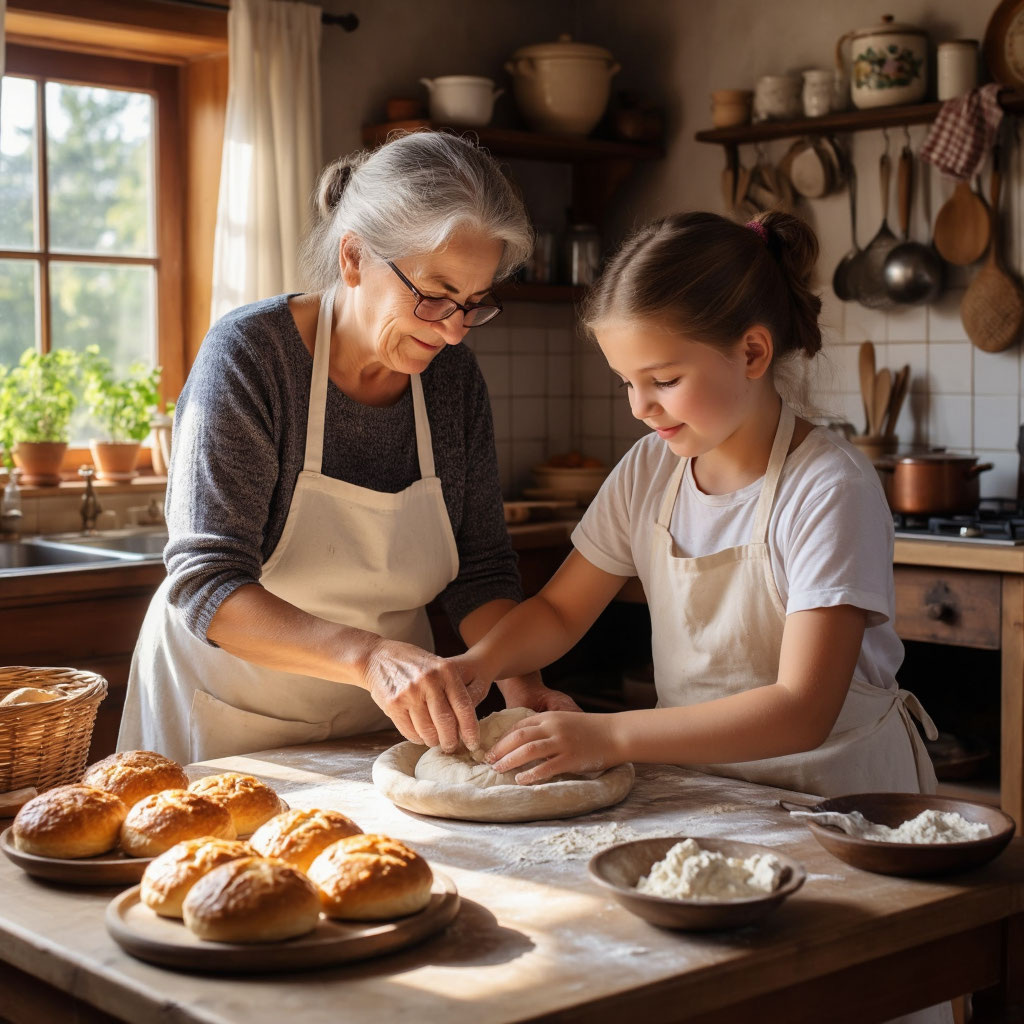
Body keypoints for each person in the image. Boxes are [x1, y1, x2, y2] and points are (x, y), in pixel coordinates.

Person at [119, 131, 576, 765]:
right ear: (354, 258)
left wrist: (523, 687)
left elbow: (479, 570)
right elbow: (206, 583)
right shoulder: (252, 358)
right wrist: (369, 657)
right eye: (434, 295)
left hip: (377, 722)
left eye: (473, 304)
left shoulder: (453, 381)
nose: (450, 332)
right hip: (226, 718)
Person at [453, 210, 940, 800]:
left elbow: (801, 710)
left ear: (753, 353)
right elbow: (558, 613)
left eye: (663, 379)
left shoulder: (828, 489)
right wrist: (475, 667)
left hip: (840, 800)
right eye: (626, 382)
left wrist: (606, 736)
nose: (639, 407)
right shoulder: (649, 470)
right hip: (702, 790)